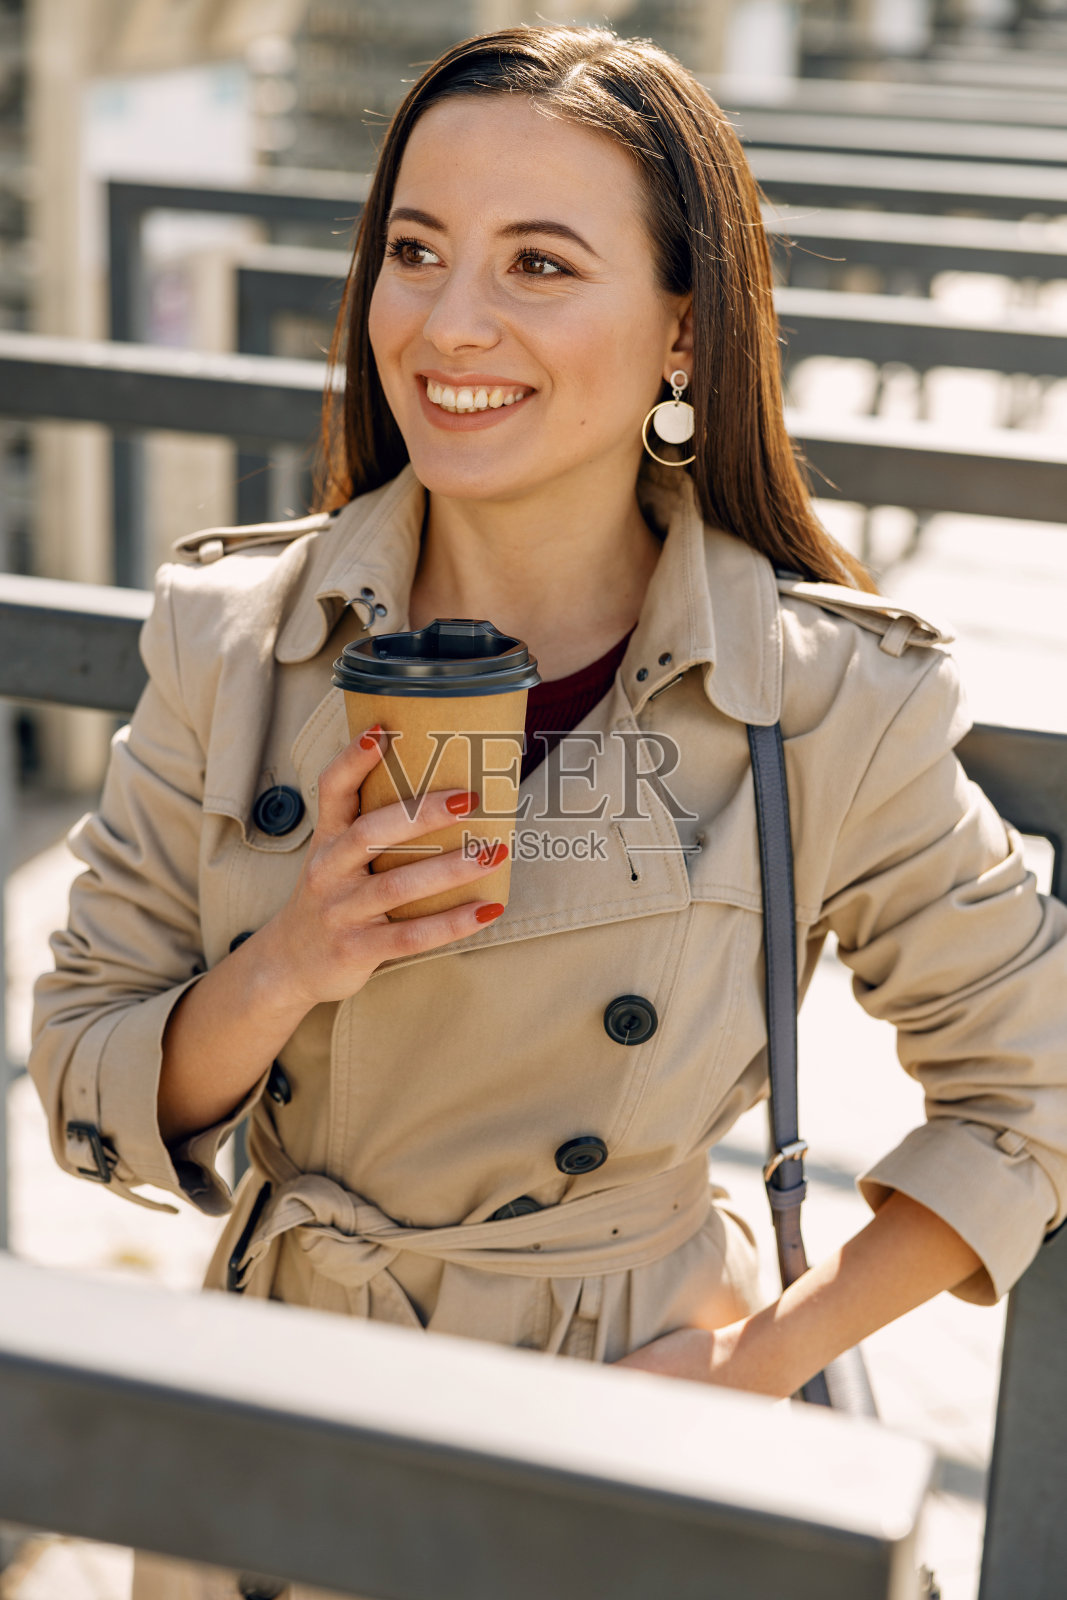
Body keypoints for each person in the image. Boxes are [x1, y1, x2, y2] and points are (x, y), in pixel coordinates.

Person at [29, 22, 1067, 1600]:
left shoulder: (815, 692)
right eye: (416, 250)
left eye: (538, 266)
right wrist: (295, 960)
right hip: (274, 1420)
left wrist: (760, 1366)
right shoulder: (234, 634)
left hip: (626, 1421)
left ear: (680, 329)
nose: (450, 320)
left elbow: (1034, 1082)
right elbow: (83, 1067)